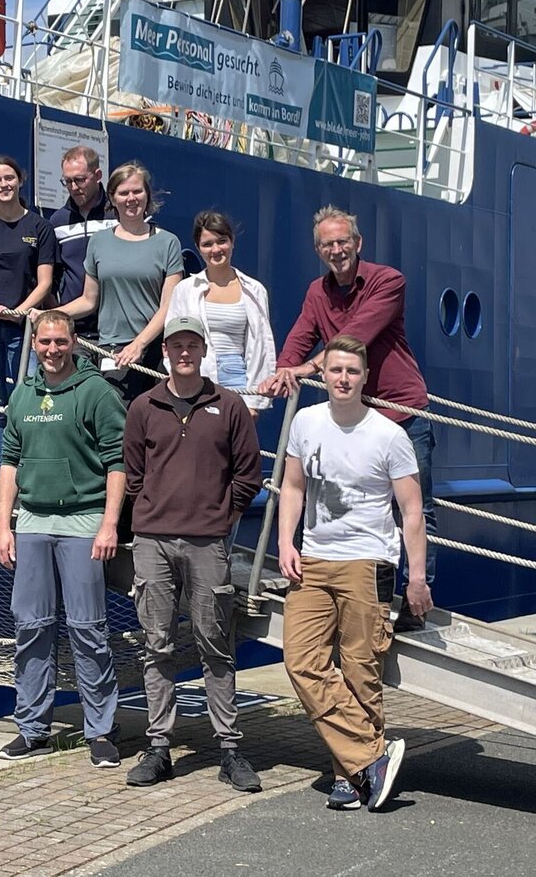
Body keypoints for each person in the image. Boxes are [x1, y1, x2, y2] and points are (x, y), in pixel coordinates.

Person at [258, 206, 436, 631]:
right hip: (352, 421)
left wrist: (308, 367)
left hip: (400, 412)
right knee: (345, 500)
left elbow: (356, 335)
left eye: (342, 242)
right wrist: (286, 366)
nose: (336, 250)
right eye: (327, 245)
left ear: (358, 244)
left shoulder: (388, 282)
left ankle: (416, 600)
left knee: (413, 511)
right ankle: (342, 588)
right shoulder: (317, 292)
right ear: (318, 250)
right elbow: (302, 333)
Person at [277, 334, 433, 812]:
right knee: (301, 661)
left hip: (368, 562)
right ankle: (372, 757)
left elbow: (411, 512)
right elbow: (293, 487)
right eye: (335, 370)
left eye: (351, 371)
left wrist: (417, 578)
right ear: (322, 374)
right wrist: (286, 540)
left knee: (361, 671)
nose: (342, 378)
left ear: (365, 378)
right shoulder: (306, 421)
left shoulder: (389, 435)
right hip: (314, 558)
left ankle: (349, 776)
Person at [122, 316, 263, 792]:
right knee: (157, 645)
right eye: (176, 345)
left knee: (215, 645)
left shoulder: (229, 405)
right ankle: (159, 747)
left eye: (192, 345)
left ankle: (229, 749)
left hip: (207, 542)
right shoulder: (144, 406)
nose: (184, 352)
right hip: (153, 541)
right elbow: (134, 472)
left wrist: (221, 519)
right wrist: (153, 510)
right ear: (165, 351)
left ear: (203, 351)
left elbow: (248, 474)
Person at [0, 310, 124, 769]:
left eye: (60, 342)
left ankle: (102, 731)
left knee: (88, 630)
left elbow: (117, 463)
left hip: (82, 522)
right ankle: (32, 730)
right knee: (31, 628)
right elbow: (9, 460)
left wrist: (109, 524)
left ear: (75, 343)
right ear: (34, 344)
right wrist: (3, 524)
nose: (52, 350)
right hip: (31, 523)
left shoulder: (97, 394)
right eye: (44, 342)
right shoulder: (23, 394)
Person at [56, 161, 184, 406]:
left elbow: (169, 305)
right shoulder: (99, 242)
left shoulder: (168, 242)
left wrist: (139, 344)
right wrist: (50, 313)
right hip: (114, 349)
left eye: (137, 191)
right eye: (124, 193)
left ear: (147, 195)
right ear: (112, 198)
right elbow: (88, 300)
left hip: (155, 349)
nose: (131, 198)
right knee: (115, 426)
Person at [0, 156, 57, 453]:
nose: (3, 184)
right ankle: (4, 475)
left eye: (9, 178)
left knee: (27, 402)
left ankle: (28, 471)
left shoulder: (39, 227)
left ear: (20, 180)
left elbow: (45, 282)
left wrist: (21, 311)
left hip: (24, 330)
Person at [166, 211, 275, 418]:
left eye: (221, 241)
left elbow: (261, 346)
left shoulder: (255, 290)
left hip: (238, 378)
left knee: (235, 447)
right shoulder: (185, 289)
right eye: (207, 244)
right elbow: (172, 339)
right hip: (197, 374)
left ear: (232, 242)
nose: (215, 249)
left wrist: (254, 401)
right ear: (198, 248)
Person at [47, 145, 114, 338]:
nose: (74, 188)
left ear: (98, 174)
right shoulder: (58, 221)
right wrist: (58, 313)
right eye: (67, 181)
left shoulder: (117, 214)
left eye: (80, 180)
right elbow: (53, 276)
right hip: (75, 328)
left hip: (115, 329)